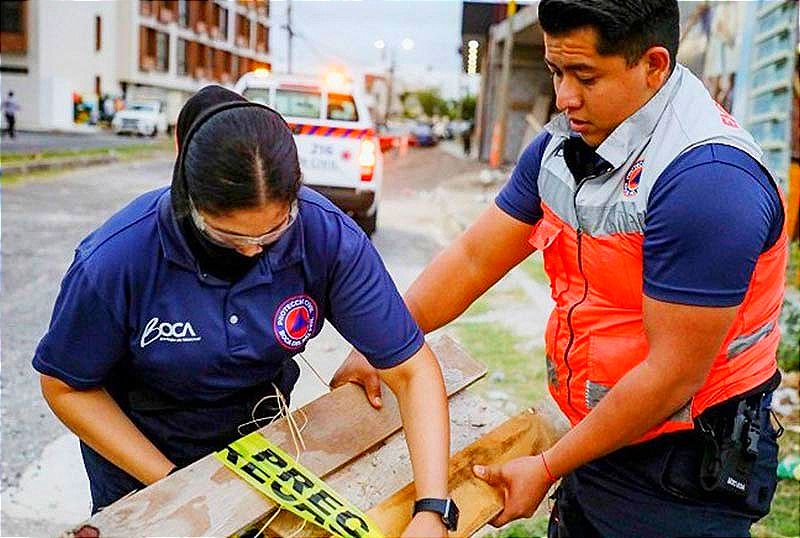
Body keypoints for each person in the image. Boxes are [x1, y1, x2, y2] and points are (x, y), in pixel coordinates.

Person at [331, 1, 788, 536]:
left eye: (584, 76)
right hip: (599, 436)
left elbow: (671, 378)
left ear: (653, 65)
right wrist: (386, 343)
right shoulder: (563, 146)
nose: (563, 97)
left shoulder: (708, 183)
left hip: (685, 467)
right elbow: (474, 258)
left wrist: (547, 467)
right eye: (555, 71)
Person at [33, 86, 451, 537]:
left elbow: (413, 371)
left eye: (274, 232)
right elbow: (64, 386)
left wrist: (432, 508)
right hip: (142, 460)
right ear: (188, 201)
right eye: (229, 236)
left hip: (261, 449)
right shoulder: (118, 259)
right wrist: (174, 484)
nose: (254, 250)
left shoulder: (325, 237)